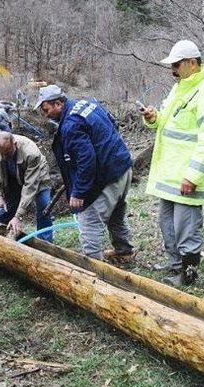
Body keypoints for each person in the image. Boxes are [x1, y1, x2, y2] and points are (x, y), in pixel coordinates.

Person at [140, 40, 204, 286]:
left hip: (186, 175)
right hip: (170, 173)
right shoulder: (181, 87)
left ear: (192, 63)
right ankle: (175, 265)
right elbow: (167, 122)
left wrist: (193, 176)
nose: (173, 70)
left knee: (186, 227)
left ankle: (188, 275)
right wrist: (153, 118)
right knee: (167, 224)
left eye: (176, 65)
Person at [34, 85, 134, 262]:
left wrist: (79, 191)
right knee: (115, 214)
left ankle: (95, 270)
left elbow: (86, 159)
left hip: (107, 175)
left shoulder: (70, 125)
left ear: (58, 103)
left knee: (89, 222)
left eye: (46, 110)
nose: (45, 114)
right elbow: (112, 123)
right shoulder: (87, 104)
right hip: (123, 167)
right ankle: (124, 252)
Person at [0, 130, 54, 241]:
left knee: (44, 205)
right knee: (5, 210)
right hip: (11, 178)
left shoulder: (31, 152)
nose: (5, 156)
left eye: (8, 152)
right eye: (2, 154)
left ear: (14, 144)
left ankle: (46, 243)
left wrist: (18, 216)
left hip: (37, 177)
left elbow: (30, 186)